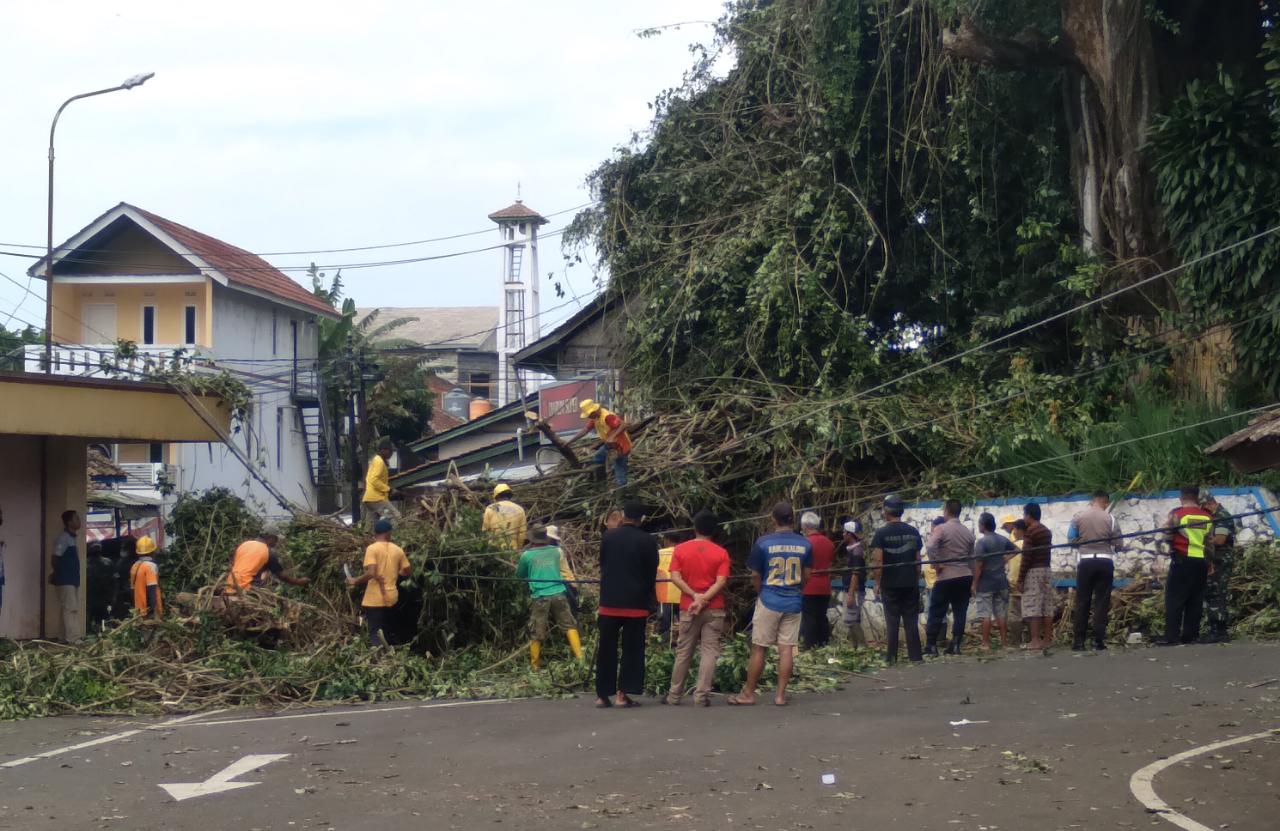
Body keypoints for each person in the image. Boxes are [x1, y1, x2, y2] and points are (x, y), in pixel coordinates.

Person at [728, 502, 812, 707]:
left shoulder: (763, 543)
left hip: (769, 599)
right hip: (793, 601)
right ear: (793, 519)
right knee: (787, 649)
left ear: (773, 519)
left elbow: (755, 574)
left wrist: (762, 592)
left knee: (759, 648)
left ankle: (749, 693)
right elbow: (807, 575)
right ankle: (780, 695)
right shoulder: (805, 544)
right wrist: (796, 590)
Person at [664, 510, 731, 706]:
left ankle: (674, 695)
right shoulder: (721, 553)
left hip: (688, 607)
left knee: (684, 651)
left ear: (694, 528)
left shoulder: (680, 550)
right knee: (709, 651)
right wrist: (704, 599)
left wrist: (695, 597)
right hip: (714, 608)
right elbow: (721, 582)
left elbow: (674, 577)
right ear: (715, 531)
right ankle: (701, 696)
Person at [595, 501, 658, 708]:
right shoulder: (647, 541)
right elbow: (651, 573)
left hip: (609, 602)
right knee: (632, 650)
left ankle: (602, 695)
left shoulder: (608, 537)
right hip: (635, 603)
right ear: (642, 519)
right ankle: (623, 695)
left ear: (623, 516)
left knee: (606, 649)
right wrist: (650, 600)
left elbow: (603, 565)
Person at [516, 524, 583, 667]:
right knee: (569, 625)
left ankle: (535, 666)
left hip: (540, 596)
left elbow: (520, 575)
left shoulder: (526, 555)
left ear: (531, 539)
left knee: (536, 630)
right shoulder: (557, 551)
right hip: (559, 593)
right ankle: (581, 659)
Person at [870, 495, 924, 664]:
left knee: (892, 621)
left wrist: (877, 583)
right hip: (910, 583)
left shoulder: (881, 533)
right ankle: (915, 657)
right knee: (911, 621)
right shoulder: (913, 532)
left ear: (886, 511)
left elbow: (878, 561)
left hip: (890, 584)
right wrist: (914, 579)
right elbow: (918, 561)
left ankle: (891, 657)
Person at [1068, 490, 1122, 651]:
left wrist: (1083, 543)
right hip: (1105, 562)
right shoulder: (1111, 518)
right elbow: (1119, 544)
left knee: (1082, 601)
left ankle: (1079, 642)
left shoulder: (1078, 517)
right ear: (1105, 502)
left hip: (1085, 562)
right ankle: (1098, 641)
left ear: (1093, 501)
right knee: (1101, 602)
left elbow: (1071, 539)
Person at [346, 519, 411, 647]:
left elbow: (371, 573)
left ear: (375, 533)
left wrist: (355, 580)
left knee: (375, 633)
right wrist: (396, 574)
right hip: (392, 598)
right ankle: (390, 660)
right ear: (389, 533)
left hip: (375, 599)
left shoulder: (372, 549)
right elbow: (408, 571)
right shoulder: (398, 550)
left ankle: (379, 661)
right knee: (387, 632)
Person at [924, 499, 976, 656]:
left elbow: (930, 546)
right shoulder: (968, 533)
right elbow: (971, 559)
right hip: (964, 576)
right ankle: (955, 645)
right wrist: (972, 579)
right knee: (960, 612)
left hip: (946, 576)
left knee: (936, 611)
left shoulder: (941, 529)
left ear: (946, 511)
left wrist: (936, 563)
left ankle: (931, 646)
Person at [1162, 487, 1213, 645]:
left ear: (1181, 498)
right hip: (1201, 562)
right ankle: (1191, 636)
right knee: (1195, 600)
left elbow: (1167, 534)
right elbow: (1210, 542)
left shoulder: (1177, 514)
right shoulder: (1207, 516)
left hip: (1182, 560)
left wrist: (1170, 546)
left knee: (1174, 599)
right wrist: (1210, 563)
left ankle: (1172, 637)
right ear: (1197, 498)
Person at [971, 512, 1017, 651]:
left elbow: (979, 565)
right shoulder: (1002, 539)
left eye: (979, 523)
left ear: (983, 526)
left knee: (986, 614)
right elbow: (1017, 549)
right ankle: (1004, 643)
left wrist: (974, 583)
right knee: (1001, 614)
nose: (979, 525)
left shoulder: (981, 542)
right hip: (1001, 582)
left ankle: (985, 643)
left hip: (985, 583)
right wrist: (1006, 558)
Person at [226, 524, 311, 593]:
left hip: (230, 585)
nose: (276, 542)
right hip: (246, 588)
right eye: (276, 539)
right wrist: (299, 582)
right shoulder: (268, 552)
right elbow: (282, 576)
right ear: (271, 538)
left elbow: (241, 566)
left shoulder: (244, 545)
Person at [1018, 503, 1055, 651]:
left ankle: (1035, 641)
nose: (1023, 518)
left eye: (1024, 515)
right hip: (1046, 569)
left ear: (1028, 516)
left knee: (1033, 605)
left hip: (1033, 571)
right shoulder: (1046, 531)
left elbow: (1026, 557)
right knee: (1046, 605)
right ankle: (1047, 639)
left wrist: (1020, 579)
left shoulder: (1031, 532)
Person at [570, 399, 633, 487]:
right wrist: (570, 441)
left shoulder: (607, 416)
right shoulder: (595, 418)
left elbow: (623, 425)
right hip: (609, 445)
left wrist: (612, 436)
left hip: (621, 445)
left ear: (594, 411)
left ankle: (621, 491)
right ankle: (601, 482)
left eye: (589, 414)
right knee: (598, 458)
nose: (589, 417)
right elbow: (586, 430)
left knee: (619, 468)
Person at [1201, 493, 1237, 643]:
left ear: (1208, 504)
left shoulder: (1222, 516)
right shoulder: (1216, 516)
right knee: (1211, 593)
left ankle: (1220, 632)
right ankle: (1215, 629)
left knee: (1216, 594)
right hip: (1216, 560)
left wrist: (1201, 539)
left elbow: (1220, 540)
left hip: (1220, 561)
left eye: (1203, 507)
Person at [799, 511, 835, 649]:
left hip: (809, 585)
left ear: (805, 526)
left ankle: (810, 646)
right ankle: (824, 644)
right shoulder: (829, 543)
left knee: (809, 618)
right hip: (825, 585)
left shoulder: (804, 543)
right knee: (821, 616)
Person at [50, 509, 83, 643]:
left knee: (66, 608)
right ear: (69, 522)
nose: (79, 520)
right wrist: (57, 572)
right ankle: (74, 638)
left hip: (70, 579)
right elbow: (55, 558)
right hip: (65, 580)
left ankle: (63, 637)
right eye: (76, 518)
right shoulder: (63, 539)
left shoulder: (71, 538)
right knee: (71, 609)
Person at [840, 520, 869, 647]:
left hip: (855, 591)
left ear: (850, 534)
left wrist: (851, 594)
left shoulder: (856, 551)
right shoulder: (853, 549)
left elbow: (855, 573)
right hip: (853, 590)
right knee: (853, 620)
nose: (843, 534)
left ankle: (861, 646)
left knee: (851, 620)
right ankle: (856, 647)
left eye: (844, 532)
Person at [655, 530, 684, 645]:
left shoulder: (660, 553)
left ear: (666, 540)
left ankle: (663, 646)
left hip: (665, 595)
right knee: (684, 625)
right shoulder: (684, 553)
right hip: (683, 593)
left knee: (664, 624)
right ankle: (682, 647)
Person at [361, 439, 400, 523]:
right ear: (384, 450)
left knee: (371, 525)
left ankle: (369, 535)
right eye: (390, 451)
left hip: (370, 498)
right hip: (376, 498)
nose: (391, 453)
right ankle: (393, 536)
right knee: (396, 517)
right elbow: (374, 480)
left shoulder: (377, 460)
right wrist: (389, 489)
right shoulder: (379, 462)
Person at [1002, 515, 1026, 645]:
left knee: (1015, 614)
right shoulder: (1030, 544)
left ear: (1018, 530)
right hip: (1028, 583)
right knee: (1029, 612)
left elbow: (1009, 565)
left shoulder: (1013, 546)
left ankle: (1016, 641)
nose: (1013, 532)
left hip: (1014, 583)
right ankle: (1029, 639)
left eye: (1014, 530)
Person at [546, 525, 580, 617]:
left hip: (566, 583)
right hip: (564, 583)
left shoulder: (556, 551)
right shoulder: (553, 550)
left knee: (569, 616)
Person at [482, 483, 527, 553]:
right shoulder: (519, 509)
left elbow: (485, 530)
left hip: (494, 549)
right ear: (510, 495)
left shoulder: (490, 508)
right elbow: (522, 533)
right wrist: (519, 548)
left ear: (496, 496)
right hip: (512, 548)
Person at [129, 536, 163, 619]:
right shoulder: (150, 566)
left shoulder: (134, 566)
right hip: (150, 610)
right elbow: (152, 588)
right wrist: (155, 611)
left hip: (139, 611)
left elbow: (132, 589)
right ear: (152, 552)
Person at [86, 542, 117, 625]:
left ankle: (92, 633)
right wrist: (113, 596)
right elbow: (114, 581)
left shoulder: (85, 563)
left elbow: (114, 581)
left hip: (91, 598)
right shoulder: (108, 562)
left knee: (91, 619)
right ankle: (102, 634)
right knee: (103, 620)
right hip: (103, 598)